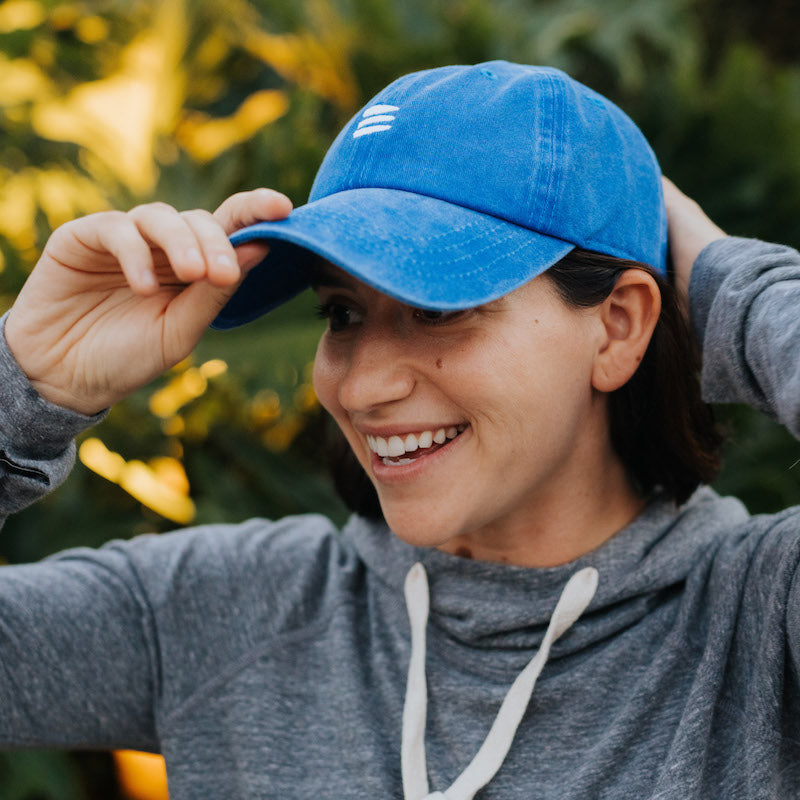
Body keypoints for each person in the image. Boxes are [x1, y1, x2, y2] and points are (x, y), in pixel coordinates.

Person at [0, 60, 798, 799]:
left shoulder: (760, 627)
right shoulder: (220, 614)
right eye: (342, 313)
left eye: (440, 308)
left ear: (619, 325)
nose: (364, 384)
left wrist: (736, 286)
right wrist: (29, 382)